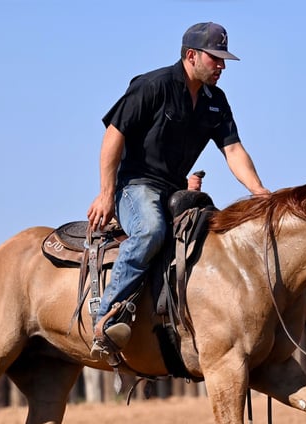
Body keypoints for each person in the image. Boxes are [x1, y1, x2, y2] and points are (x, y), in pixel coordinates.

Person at [87, 21, 270, 359]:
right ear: (191, 55)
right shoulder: (153, 85)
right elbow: (114, 135)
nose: (222, 66)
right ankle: (107, 317)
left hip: (174, 190)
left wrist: (259, 191)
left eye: (223, 59)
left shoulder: (216, 101)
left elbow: (232, 150)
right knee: (151, 230)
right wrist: (106, 193)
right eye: (215, 58)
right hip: (135, 185)